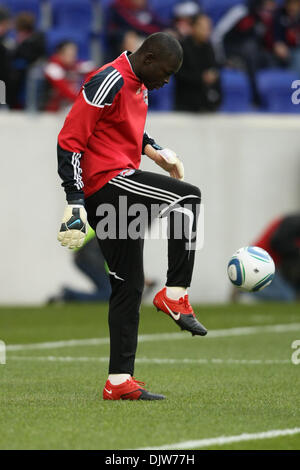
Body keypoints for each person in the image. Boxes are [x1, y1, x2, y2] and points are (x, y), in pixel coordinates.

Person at [56, 32, 207, 401]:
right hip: (108, 184)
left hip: (118, 184)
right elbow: (70, 139)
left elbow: (123, 127)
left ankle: (119, 380)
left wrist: (156, 151)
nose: (166, 81)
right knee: (188, 198)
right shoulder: (107, 79)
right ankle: (175, 294)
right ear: (150, 58)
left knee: (128, 285)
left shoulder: (138, 81)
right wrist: (74, 200)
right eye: (166, 73)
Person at [212, 0, 276, 105]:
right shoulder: (240, 11)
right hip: (231, 50)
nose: (270, 7)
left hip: (252, 53)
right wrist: (221, 59)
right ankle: (255, 98)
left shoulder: (266, 16)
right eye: (267, 4)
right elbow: (217, 35)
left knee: (268, 57)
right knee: (250, 50)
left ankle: (273, 100)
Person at [233, 213, 300, 302]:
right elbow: (276, 242)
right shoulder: (294, 222)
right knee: (287, 296)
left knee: (290, 294)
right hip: (260, 261)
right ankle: (245, 287)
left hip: (271, 264)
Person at [175, 13, 222, 112]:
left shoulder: (209, 47)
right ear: (193, 27)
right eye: (203, 27)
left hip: (206, 100)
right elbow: (179, 74)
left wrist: (213, 75)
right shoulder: (182, 47)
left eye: (208, 28)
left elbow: (214, 68)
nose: (206, 31)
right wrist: (201, 78)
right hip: (186, 101)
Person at [43, 41, 94, 111]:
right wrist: (84, 101)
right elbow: (65, 90)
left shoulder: (75, 65)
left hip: (72, 105)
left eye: (74, 54)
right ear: (60, 54)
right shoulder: (52, 68)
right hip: (53, 111)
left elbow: (94, 71)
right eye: (69, 54)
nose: (73, 57)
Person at [9, 12, 46, 109]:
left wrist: (22, 43)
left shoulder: (38, 37)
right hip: (19, 68)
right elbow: (14, 56)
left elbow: (35, 56)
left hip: (33, 66)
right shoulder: (17, 38)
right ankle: (12, 104)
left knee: (35, 73)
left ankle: (32, 105)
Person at [273, 0, 300, 75]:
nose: (292, 7)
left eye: (295, 4)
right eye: (290, 3)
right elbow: (276, 36)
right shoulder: (279, 14)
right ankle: (293, 83)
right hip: (284, 48)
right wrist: (278, 44)